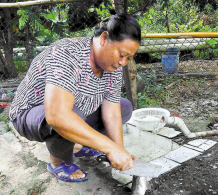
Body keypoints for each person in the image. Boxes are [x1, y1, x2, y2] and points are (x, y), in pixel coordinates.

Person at [9, 12, 141, 182]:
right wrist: (108, 147)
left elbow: (112, 113)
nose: (124, 62)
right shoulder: (67, 54)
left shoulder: (112, 66)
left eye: (129, 58)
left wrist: (119, 151)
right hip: (29, 115)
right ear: (103, 39)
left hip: (75, 110)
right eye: (122, 55)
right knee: (70, 114)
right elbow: (57, 116)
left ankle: (80, 145)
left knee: (123, 107)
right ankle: (57, 160)